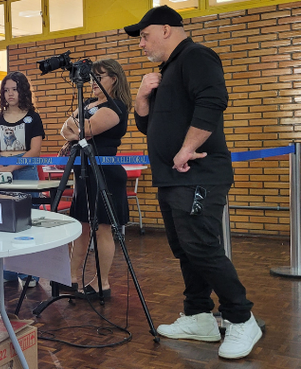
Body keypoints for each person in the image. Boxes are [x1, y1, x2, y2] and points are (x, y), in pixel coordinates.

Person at [125, 5, 261, 359]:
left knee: (201, 245)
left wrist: (187, 148)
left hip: (198, 172)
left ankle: (242, 319)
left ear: (166, 29)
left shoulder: (197, 56)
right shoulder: (165, 71)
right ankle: (199, 315)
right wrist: (141, 98)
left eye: (144, 35)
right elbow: (148, 126)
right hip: (172, 177)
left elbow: (214, 100)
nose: (141, 43)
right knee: (185, 247)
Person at [60, 59, 131, 299]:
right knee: (81, 227)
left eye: (99, 77)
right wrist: (77, 130)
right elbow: (65, 129)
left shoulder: (116, 106)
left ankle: (102, 284)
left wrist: (77, 129)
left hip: (105, 173)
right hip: (83, 172)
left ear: (114, 79)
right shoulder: (89, 102)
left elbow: (85, 129)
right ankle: (70, 278)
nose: (93, 82)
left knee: (101, 229)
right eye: (92, 77)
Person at [0, 71, 45, 286]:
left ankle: (29, 273)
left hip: (25, 170)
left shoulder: (33, 116)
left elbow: (35, 150)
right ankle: (8, 271)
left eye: (14, 89)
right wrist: (1, 167)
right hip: (1, 168)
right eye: (6, 90)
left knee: (26, 221)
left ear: (23, 91)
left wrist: (11, 167)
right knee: (4, 221)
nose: (10, 94)